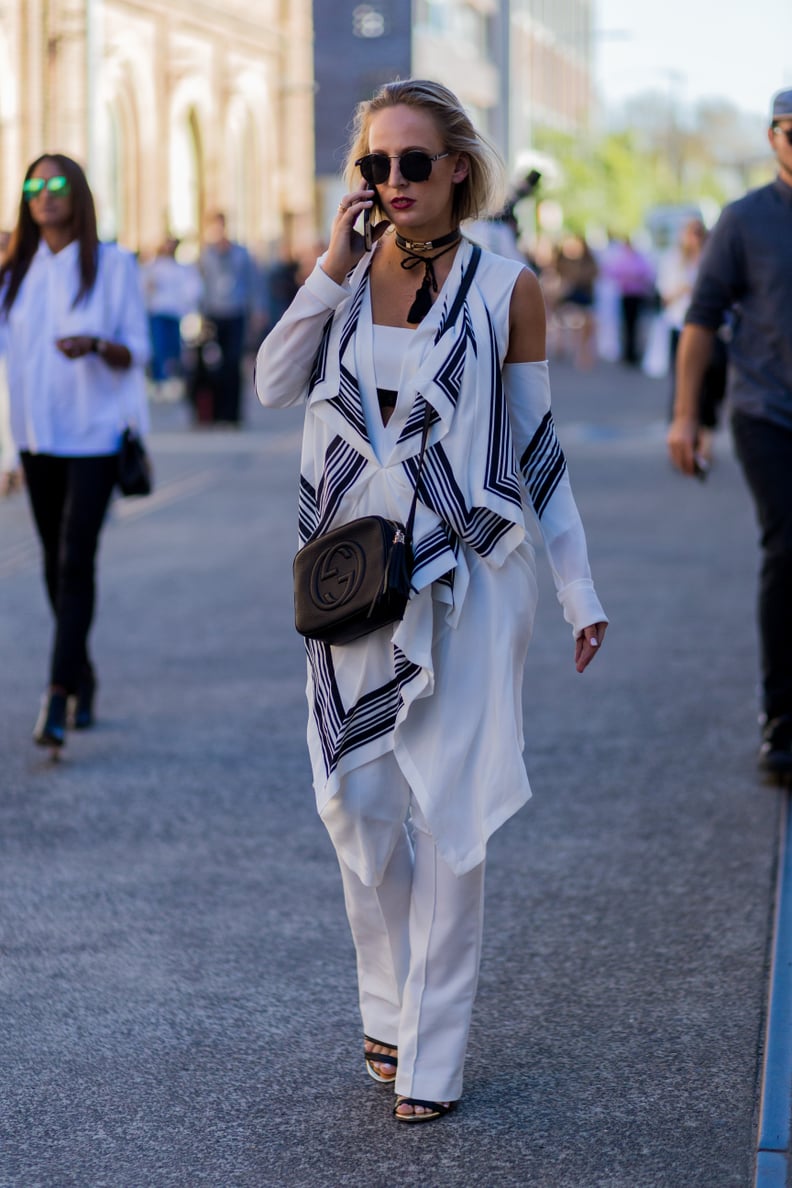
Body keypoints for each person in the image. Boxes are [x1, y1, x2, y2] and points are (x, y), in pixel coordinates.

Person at [255, 79, 608, 1123]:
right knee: (353, 802)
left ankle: (433, 1054)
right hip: (354, 575)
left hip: (472, 575)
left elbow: (538, 452)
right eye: (375, 165)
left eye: (414, 162)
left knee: (453, 819)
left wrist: (580, 587)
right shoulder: (350, 279)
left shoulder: (510, 288)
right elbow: (276, 381)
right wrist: (330, 263)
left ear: (460, 165)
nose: (394, 183)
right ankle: (389, 1000)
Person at [0, 153, 150, 749]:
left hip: (94, 435)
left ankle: (58, 693)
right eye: (33, 185)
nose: (44, 194)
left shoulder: (111, 266)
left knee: (74, 559)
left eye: (56, 183)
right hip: (38, 440)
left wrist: (94, 344)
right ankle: (83, 673)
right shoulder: (13, 272)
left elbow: (137, 350)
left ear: (78, 194)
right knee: (50, 561)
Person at [668, 88, 792, 780]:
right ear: (773, 138)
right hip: (767, 410)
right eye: (791, 131)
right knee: (788, 545)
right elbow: (701, 321)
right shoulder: (744, 221)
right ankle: (782, 720)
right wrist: (688, 416)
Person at [658, 218, 727, 460]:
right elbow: (665, 297)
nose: (695, 238)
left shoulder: (713, 258)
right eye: (691, 233)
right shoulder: (673, 261)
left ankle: (705, 437)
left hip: (712, 330)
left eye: (699, 232)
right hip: (681, 326)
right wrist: (685, 288)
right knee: (683, 382)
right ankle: (683, 436)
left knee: (712, 383)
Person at [198, 212, 257, 425]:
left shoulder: (241, 254)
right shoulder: (207, 255)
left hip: (235, 312)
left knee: (233, 363)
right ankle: (216, 412)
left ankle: (233, 413)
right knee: (215, 365)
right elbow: (202, 286)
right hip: (214, 314)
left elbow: (251, 283)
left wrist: (256, 311)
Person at [141, 235, 202, 399]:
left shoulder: (181, 269)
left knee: (173, 347)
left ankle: (172, 379)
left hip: (174, 312)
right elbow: (144, 286)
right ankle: (159, 380)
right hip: (158, 311)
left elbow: (191, 289)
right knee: (159, 347)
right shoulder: (153, 267)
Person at [604, 236, 656, 366]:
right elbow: (612, 272)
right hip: (626, 295)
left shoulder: (638, 258)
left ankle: (632, 352)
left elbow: (647, 273)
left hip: (636, 295)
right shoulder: (621, 258)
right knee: (626, 324)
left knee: (635, 325)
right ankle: (627, 352)